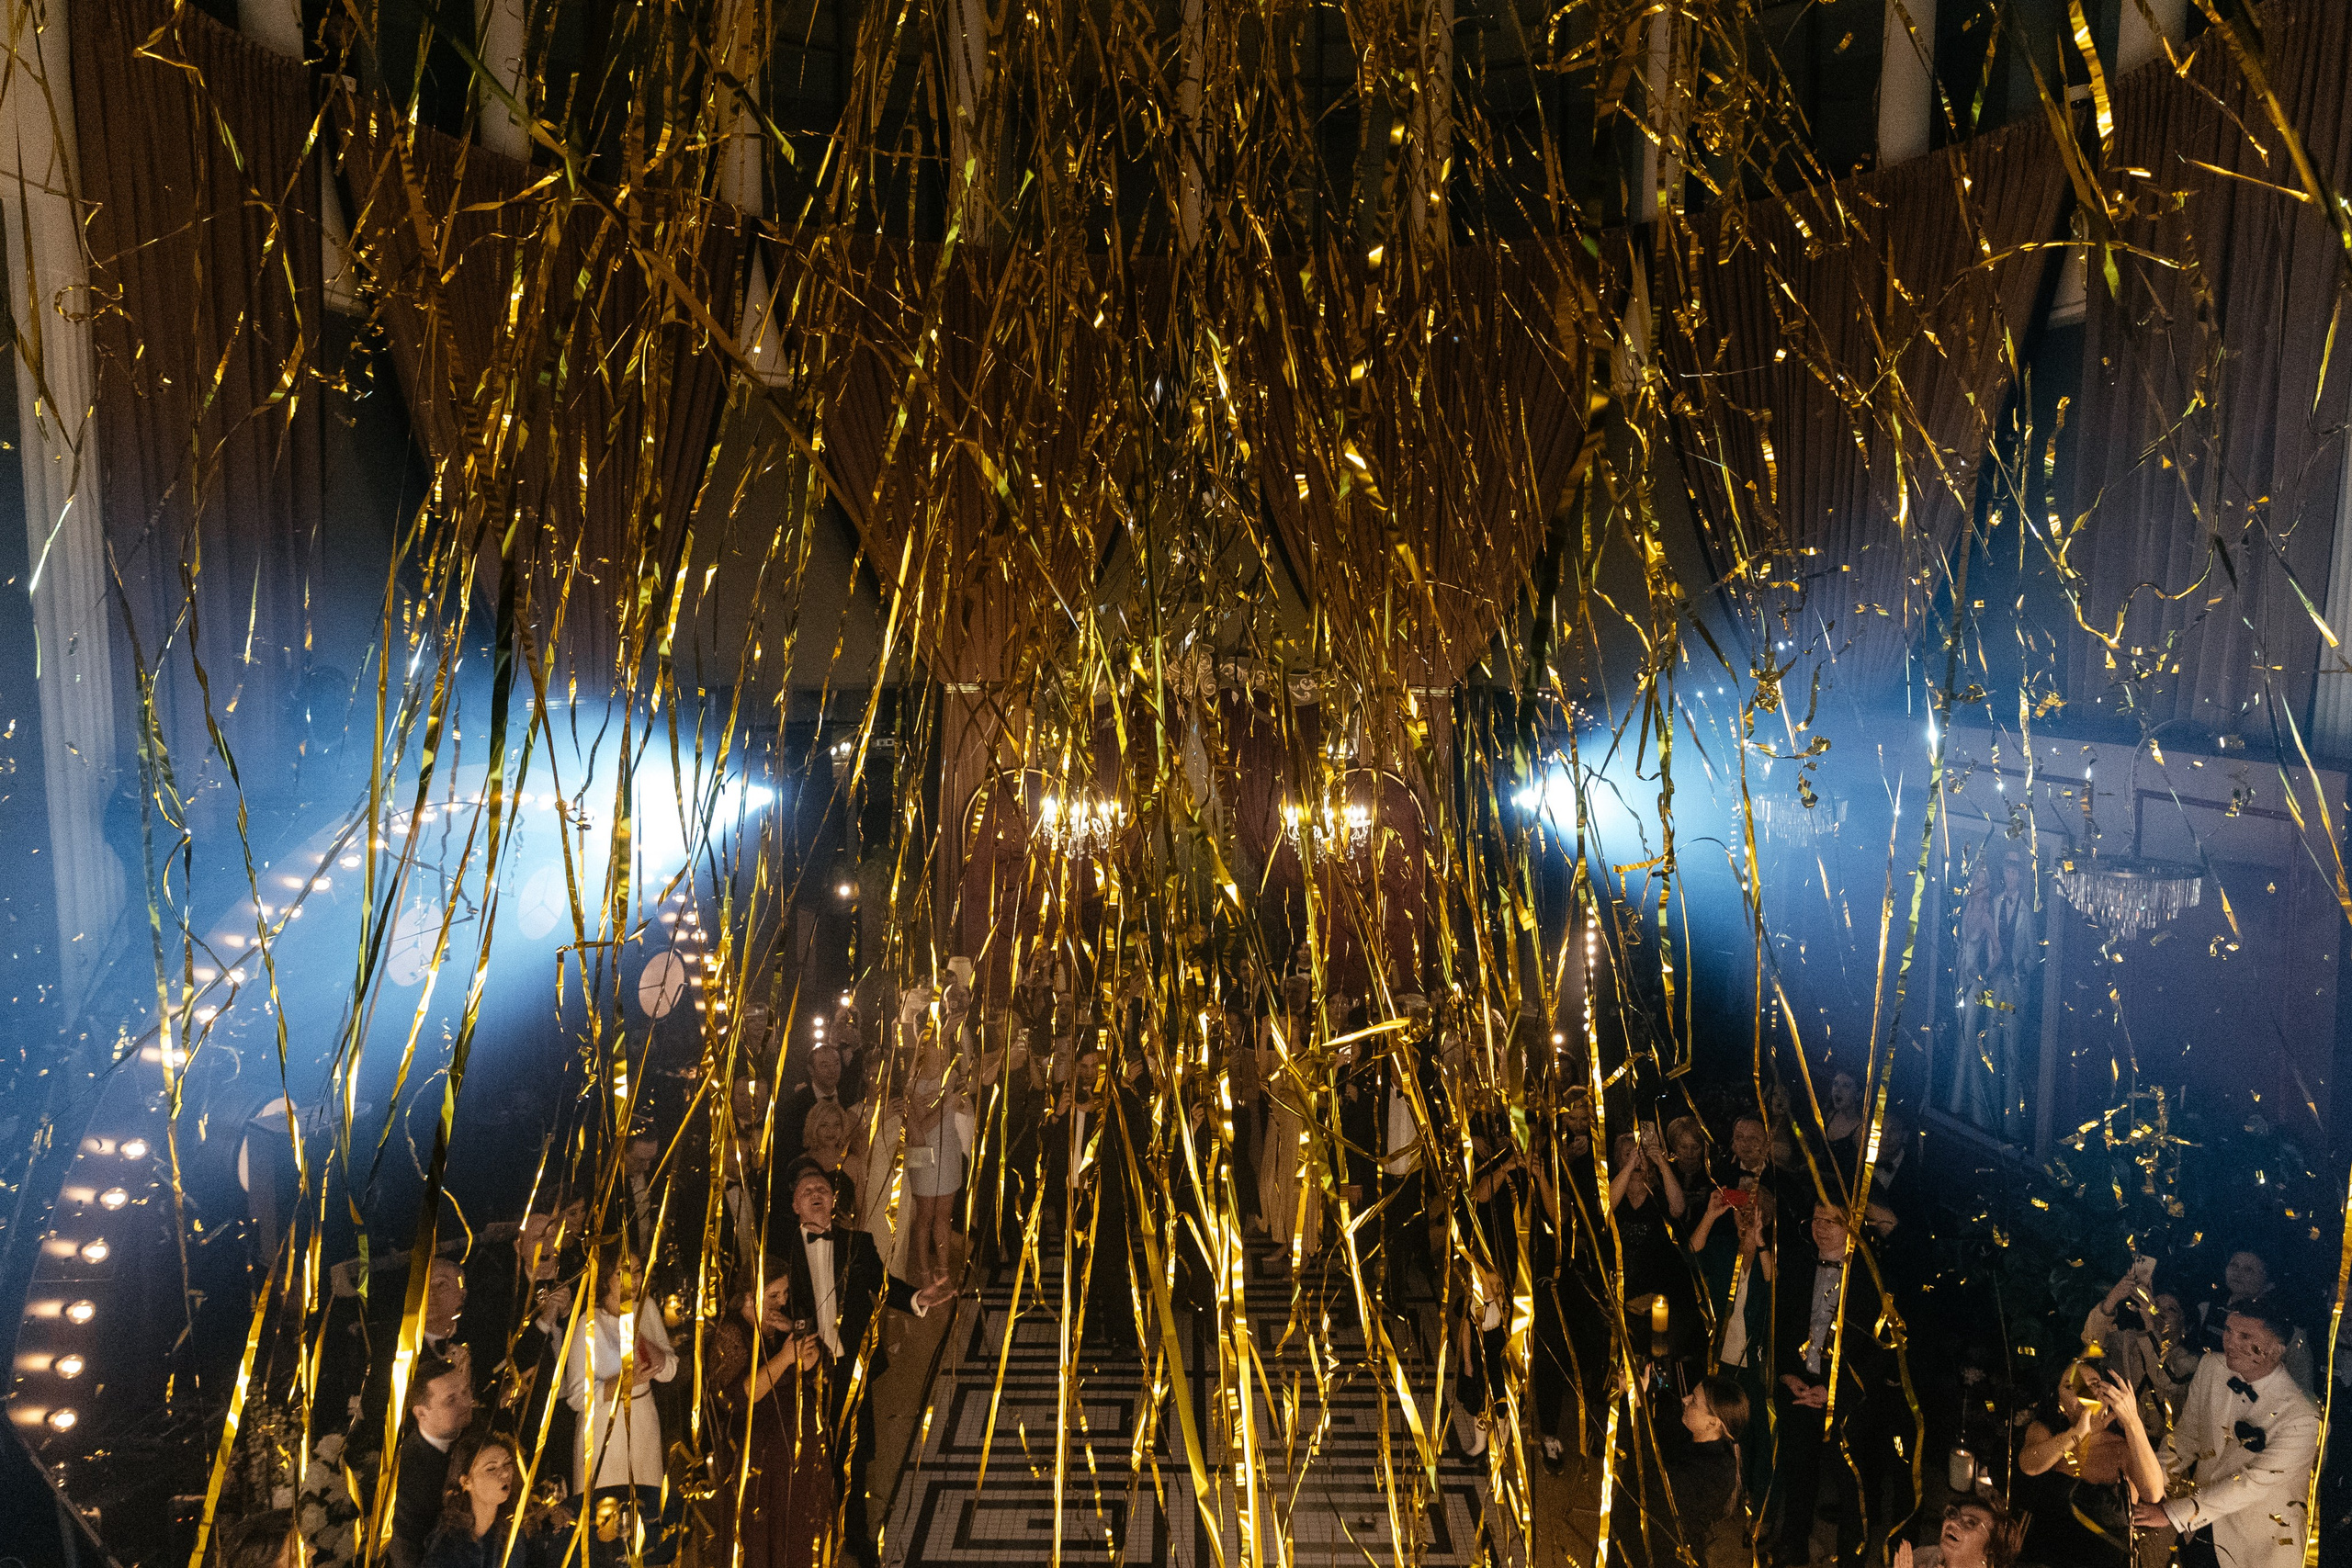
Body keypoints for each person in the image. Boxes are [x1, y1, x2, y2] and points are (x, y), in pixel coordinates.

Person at [773, 1157, 956, 1568]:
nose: (817, 1195)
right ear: (796, 1208)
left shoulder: (860, 1243)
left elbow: (884, 1286)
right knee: (811, 1453)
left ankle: (856, 1535)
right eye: (807, 1192)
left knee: (853, 1456)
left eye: (822, 1189)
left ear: (833, 1197)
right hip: (802, 1371)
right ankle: (814, 1528)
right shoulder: (780, 1253)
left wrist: (916, 1299)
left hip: (851, 1368)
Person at [2102, 1304, 2320, 1568]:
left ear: (2276, 1348)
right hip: (2197, 1531)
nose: (2230, 1341)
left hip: (2257, 1547)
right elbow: (2186, 1436)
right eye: (2228, 1330)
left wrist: (2172, 1514)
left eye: (2245, 1337)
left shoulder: (2303, 1416)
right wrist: (2151, 1480)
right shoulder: (2212, 1367)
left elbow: (2252, 1483)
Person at [1771, 1203, 1893, 1568]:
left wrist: (1837, 1391)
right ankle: (1792, 1548)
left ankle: (1851, 1560)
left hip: (1847, 1397)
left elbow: (1882, 1348)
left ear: (1852, 1225)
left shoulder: (1871, 1276)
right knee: (1798, 1473)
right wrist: (1786, 1374)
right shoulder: (1797, 1264)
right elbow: (1780, 1321)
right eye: (1816, 1219)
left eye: (1832, 1221)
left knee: (1850, 1485)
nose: (1821, 1228)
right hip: (1800, 1386)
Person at [707, 1263, 835, 1568]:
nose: (782, 1301)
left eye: (785, 1292)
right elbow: (738, 1397)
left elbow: (819, 1369)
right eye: (773, 1294)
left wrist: (806, 1350)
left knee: (799, 1520)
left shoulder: (783, 1324)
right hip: (759, 1454)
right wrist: (783, 1358)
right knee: (763, 1528)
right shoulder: (730, 1333)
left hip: (795, 1441)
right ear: (749, 1298)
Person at [560, 1247, 679, 1561]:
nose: (633, 1279)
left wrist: (640, 1334)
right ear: (604, 1280)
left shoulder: (649, 1308)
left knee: (646, 1514)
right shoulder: (587, 1320)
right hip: (603, 1433)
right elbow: (575, 1395)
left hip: (644, 1425)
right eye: (622, 1273)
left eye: (638, 1271)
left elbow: (668, 1370)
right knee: (606, 1525)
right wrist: (621, 1383)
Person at [1616, 1372, 1748, 1568]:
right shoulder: (1688, 1432)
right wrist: (1637, 1394)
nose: (1685, 1400)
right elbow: (1634, 1441)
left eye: (1694, 1400)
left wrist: (1638, 1407)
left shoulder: (1716, 1472)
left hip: (1665, 1554)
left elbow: (1654, 1480)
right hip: (1639, 1535)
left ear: (1713, 1422)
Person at [2015, 1359, 2132, 1564]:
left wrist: (2133, 1423)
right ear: (2059, 1399)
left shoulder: (2122, 1446)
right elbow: (2029, 1464)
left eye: (2094, 1384)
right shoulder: (2046, 1432)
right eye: (2071, 1386)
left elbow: (2151, 1493)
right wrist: (2077, 1434)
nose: (2083, 1392)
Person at [419, 1432, 570, 1568]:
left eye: (507, 1463)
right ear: (466, 1482)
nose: (505, 1473)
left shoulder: (518, 1528)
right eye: (491, 1468)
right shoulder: (447, 1545)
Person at [388, 1351, 475, 1568]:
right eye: (451, 1399)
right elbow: (406, 1553)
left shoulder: (481, 1432)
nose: (466, 1403)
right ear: (421, 1413)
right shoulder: (404, 1472)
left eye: (465, 1391)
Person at [2190, 1248, 2313, 1391]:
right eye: (2234, 1265)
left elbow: (2301, 1386)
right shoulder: (2205, 1310)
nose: (2238, 1273)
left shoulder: (2288, 1332)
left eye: (2249, 1270)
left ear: (2267, 1279)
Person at [1893, 1495, 2020, 1568]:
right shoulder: (1924, 1557)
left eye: (1971, 1523)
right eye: (1953, 1514)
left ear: (1991, 1547)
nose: (1952, 1522)